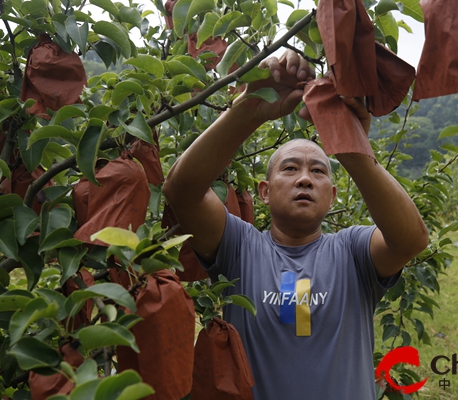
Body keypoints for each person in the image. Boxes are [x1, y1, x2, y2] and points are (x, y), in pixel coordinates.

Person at [163, 50, 429, 399]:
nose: (305, 178)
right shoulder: (239, 247)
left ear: (333, 195)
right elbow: (181, 191)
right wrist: (249, 108)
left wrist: (351, 146)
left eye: (318, 171)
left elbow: (411, 239)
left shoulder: (353, 251)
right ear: (264, 191)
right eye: (290, 169)